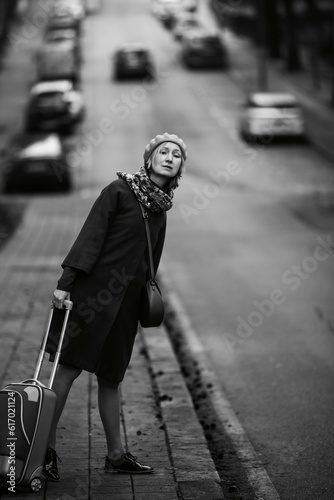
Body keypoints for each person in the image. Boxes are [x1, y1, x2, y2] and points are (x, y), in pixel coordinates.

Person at [43, 133, 187, 481]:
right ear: (149, 157)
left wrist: (144, 302)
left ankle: (116, 455)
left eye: (177, 155)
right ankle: (42, 450)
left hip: (125, 307)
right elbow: (90, 236)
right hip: (91, 298)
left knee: (112, 378)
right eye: (163, 151)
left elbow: (153, 262)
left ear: (181, 167)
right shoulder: (118, 192)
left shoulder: (161, 208)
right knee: (67, 370)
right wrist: (66, 284)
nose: (169, 157)